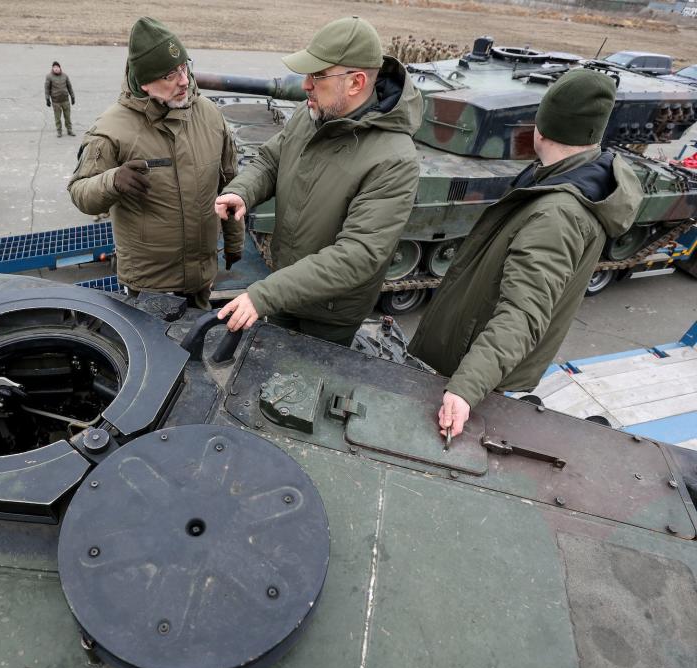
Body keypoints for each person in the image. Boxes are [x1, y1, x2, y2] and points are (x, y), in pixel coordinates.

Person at [408, 68, 644, 440]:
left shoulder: (557, 215)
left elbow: (523, 314)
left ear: (542, 126)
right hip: (477, 352)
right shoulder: (570, 180)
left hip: (469, 363)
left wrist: (467, 386)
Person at [215, 16, 422, 346]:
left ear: (355, 83)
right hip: (283, 285)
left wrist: (265, 295)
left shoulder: (394, 158)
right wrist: (242, 191)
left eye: (319, 76)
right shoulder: (312, 113)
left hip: (329, 312)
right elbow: (271, 159)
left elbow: (357, 254)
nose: (305, 85)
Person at [67, 17, 243, 310]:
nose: (184, 80)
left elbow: (229, 185)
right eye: (170, 75)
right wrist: (111, 181)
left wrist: (234, 242)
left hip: (201, 277)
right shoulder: (112, 129)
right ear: (146, 83)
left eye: (183, 67)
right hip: (151, 285)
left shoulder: (210, 115)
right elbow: (80, 193)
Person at [45, 61, 76, 137]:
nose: (56, 69)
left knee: (67, 117)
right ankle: (59, 131)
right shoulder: (49, 77)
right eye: (54, 67)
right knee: (57, 118)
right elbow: (47, 89)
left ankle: (69, 130)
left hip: (65, 100)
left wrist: (72, 97)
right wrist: (47, 99)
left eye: (57, 67)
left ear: (60, 67)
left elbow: (69, 87)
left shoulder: (65, 76)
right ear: (52, 68)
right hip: (56, 102)